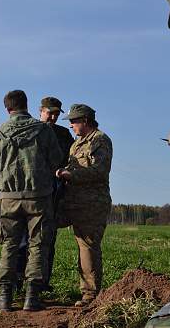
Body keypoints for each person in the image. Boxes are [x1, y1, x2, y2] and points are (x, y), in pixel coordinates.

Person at [0, 90, 62, 311]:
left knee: (9, 244)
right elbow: (56, 160)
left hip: (9, 198)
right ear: (27, 105)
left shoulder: (0, 132)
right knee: (37, 244)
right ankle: (32, 297)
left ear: (8, 109)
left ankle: (4, 297)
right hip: (38, 197)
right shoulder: (43, 130)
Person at [14, 97, 75, 292]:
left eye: (57, 114)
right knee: (24, 239)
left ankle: (42, 281)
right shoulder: (30, 129)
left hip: (53, 192)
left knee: (48, 238)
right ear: (41, 111)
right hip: (29, 192)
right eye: (50, 113)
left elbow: (69, 160)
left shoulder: (64, 134)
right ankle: (18, 280)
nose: (53, 117)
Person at [56, 104, 113, 307]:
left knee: (88, 247)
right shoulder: (77, 144)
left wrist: (72, 174)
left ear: (85, 121)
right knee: (82, 246)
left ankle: (90, 295)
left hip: (92, 204)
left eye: (73, 121)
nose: (71, 125)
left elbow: (100, 171)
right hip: (75, 203)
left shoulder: (100, 140)